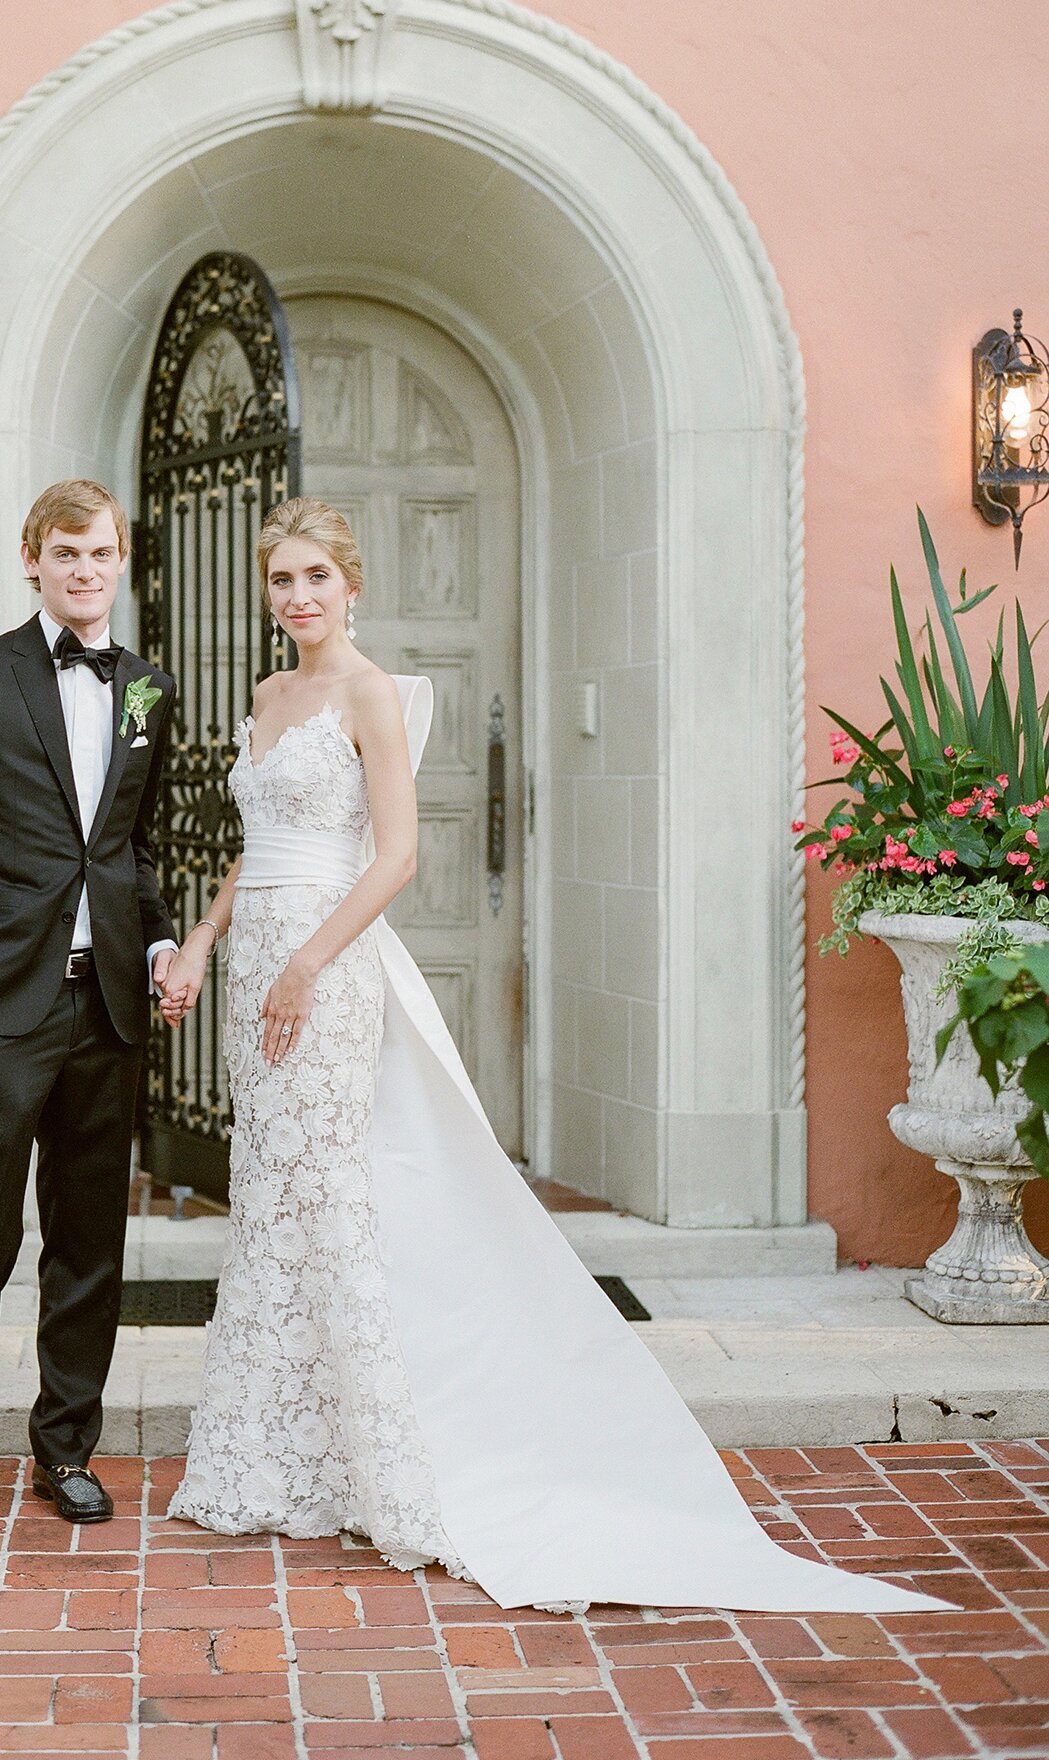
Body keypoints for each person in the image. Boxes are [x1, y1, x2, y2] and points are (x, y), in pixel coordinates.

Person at [154, 497, 948, 1615]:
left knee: (332, 1194)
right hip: (255, 970)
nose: (296, 598)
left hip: (325, 975)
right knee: (272, 1195)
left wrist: (305, 966)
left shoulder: (372, 695)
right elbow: (258, 847)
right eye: (280, 580)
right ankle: (278, 1454)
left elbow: (392, 859)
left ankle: (382, 1454)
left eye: (314, 578)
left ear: (353, 582)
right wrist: (203, 936)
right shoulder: (269, 695)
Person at [0, 480, 178, 1534]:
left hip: (107, 1010)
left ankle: (67, 1447)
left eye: (100, 554)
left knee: (89, 1238)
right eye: (65, 553)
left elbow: (132, 848)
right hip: (2, 1005)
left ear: (120, 560)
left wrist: (158, 940)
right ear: (31, 557)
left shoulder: (146, 687)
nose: (84, 570)